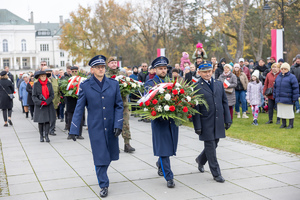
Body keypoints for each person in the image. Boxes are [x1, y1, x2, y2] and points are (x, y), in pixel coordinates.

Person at [69, 55, 123, 198]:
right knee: (100, 156)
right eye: (98, 67)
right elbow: (79, 108)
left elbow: (119, 106)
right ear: (92, 69)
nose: (101, 69)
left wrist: (119, 124)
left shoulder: (113, 84)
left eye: (103, 67)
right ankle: (104, 184)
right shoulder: (86, 86)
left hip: (112, 126)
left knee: (110, 154)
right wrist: (74, 129)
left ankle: (102, 175)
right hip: (96, 127)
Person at [192, 62, 232, 183]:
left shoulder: (219, 84)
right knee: (210, 147)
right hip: (205, 122)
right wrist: (197, 126)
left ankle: (200, 159)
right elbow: (195, 109)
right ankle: (216, 173)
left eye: (209, 71)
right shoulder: (196, 87)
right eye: (204, 72)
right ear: (199, 73)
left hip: (218, 120)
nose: (208, 74)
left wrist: (228, 119)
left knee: (215, 143)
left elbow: (224, 103)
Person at [144, 56, 178, 188]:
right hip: (159, 122)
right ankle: (169, 177)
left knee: (171, 147)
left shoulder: (173, 83)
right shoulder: (150, 83)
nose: (163, 71)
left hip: (172, 121)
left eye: (165, 68)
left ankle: (160, 163)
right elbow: (146, 103)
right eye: (160, 69)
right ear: (155, 70)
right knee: (164, 149)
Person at [106, 57, 135, 152]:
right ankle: (114, 146)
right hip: (111, 105)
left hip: (123, 103)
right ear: (108, 64)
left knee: (125, 123)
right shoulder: (106, 75)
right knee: (112, 125)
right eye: (112, 63)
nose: (114, 64)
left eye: (115, 62)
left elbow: (128, 85)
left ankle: (127, 144)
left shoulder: (122, 74)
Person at [273, 63, 299, 129]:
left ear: (288, 69)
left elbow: (295, 88)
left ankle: (291, 124)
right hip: (280, 98)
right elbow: (275, 87)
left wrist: (294, 98)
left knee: (289, 112)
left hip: (288, 98)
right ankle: (283, 124)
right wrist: (275, 95)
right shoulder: (278, 76)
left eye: (285, 69)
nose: (283, 70)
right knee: (282, 111)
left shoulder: (292, 77)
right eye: (282, 69)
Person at [32, 71, 55, 142]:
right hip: (40, 106)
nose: (43, 77)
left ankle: (47, 136)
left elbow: (52, 95)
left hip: (48, 105)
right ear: (39, 77)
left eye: (44, 76)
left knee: (47, 121)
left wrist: (47, 102)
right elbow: (34, 96)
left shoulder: (49, 84)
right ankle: (41, 136)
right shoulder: (36, 85)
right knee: (41, 121)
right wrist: (40, 102)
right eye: (42, 76)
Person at [66, 66, 84, 140]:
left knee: (80, 118)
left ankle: (79, 134)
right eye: (72, 71)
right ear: (70, 72)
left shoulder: (82, 79)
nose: (74, 73)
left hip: (79, 102)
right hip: (70, 102)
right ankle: (70, 133)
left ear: (78, 71)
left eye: (75, 71)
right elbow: (64, 90)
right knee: (70, 118)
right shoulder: (67, 80)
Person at [45, 68, 60, 135]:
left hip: (54, 101)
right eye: (47, 72)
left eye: (50, 72)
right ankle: (46, 130)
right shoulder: (44, 81)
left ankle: (52, 130)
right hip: (46, 102)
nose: (49, 73)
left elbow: (58, 91)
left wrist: (58, 100)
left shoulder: (55, 80)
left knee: (53, 118)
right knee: (47, 117)